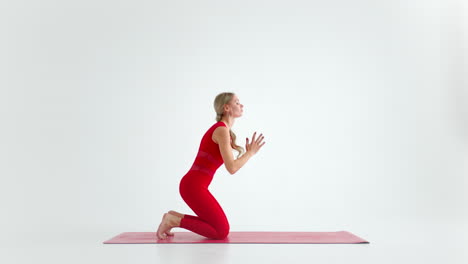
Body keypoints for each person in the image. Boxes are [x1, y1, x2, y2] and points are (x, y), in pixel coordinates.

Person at [156, 92, 266, 240]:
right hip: (193, 186)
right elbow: (232, 168)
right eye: (237, 102)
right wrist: (250, 153)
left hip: (194, 185)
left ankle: (174, 217)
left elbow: (231, 165)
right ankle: (174, 220)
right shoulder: (221, 130)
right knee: (221, 231)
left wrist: (248, 152)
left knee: (217, 226)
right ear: (226, 108)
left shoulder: (223, 130)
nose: (241, 105)